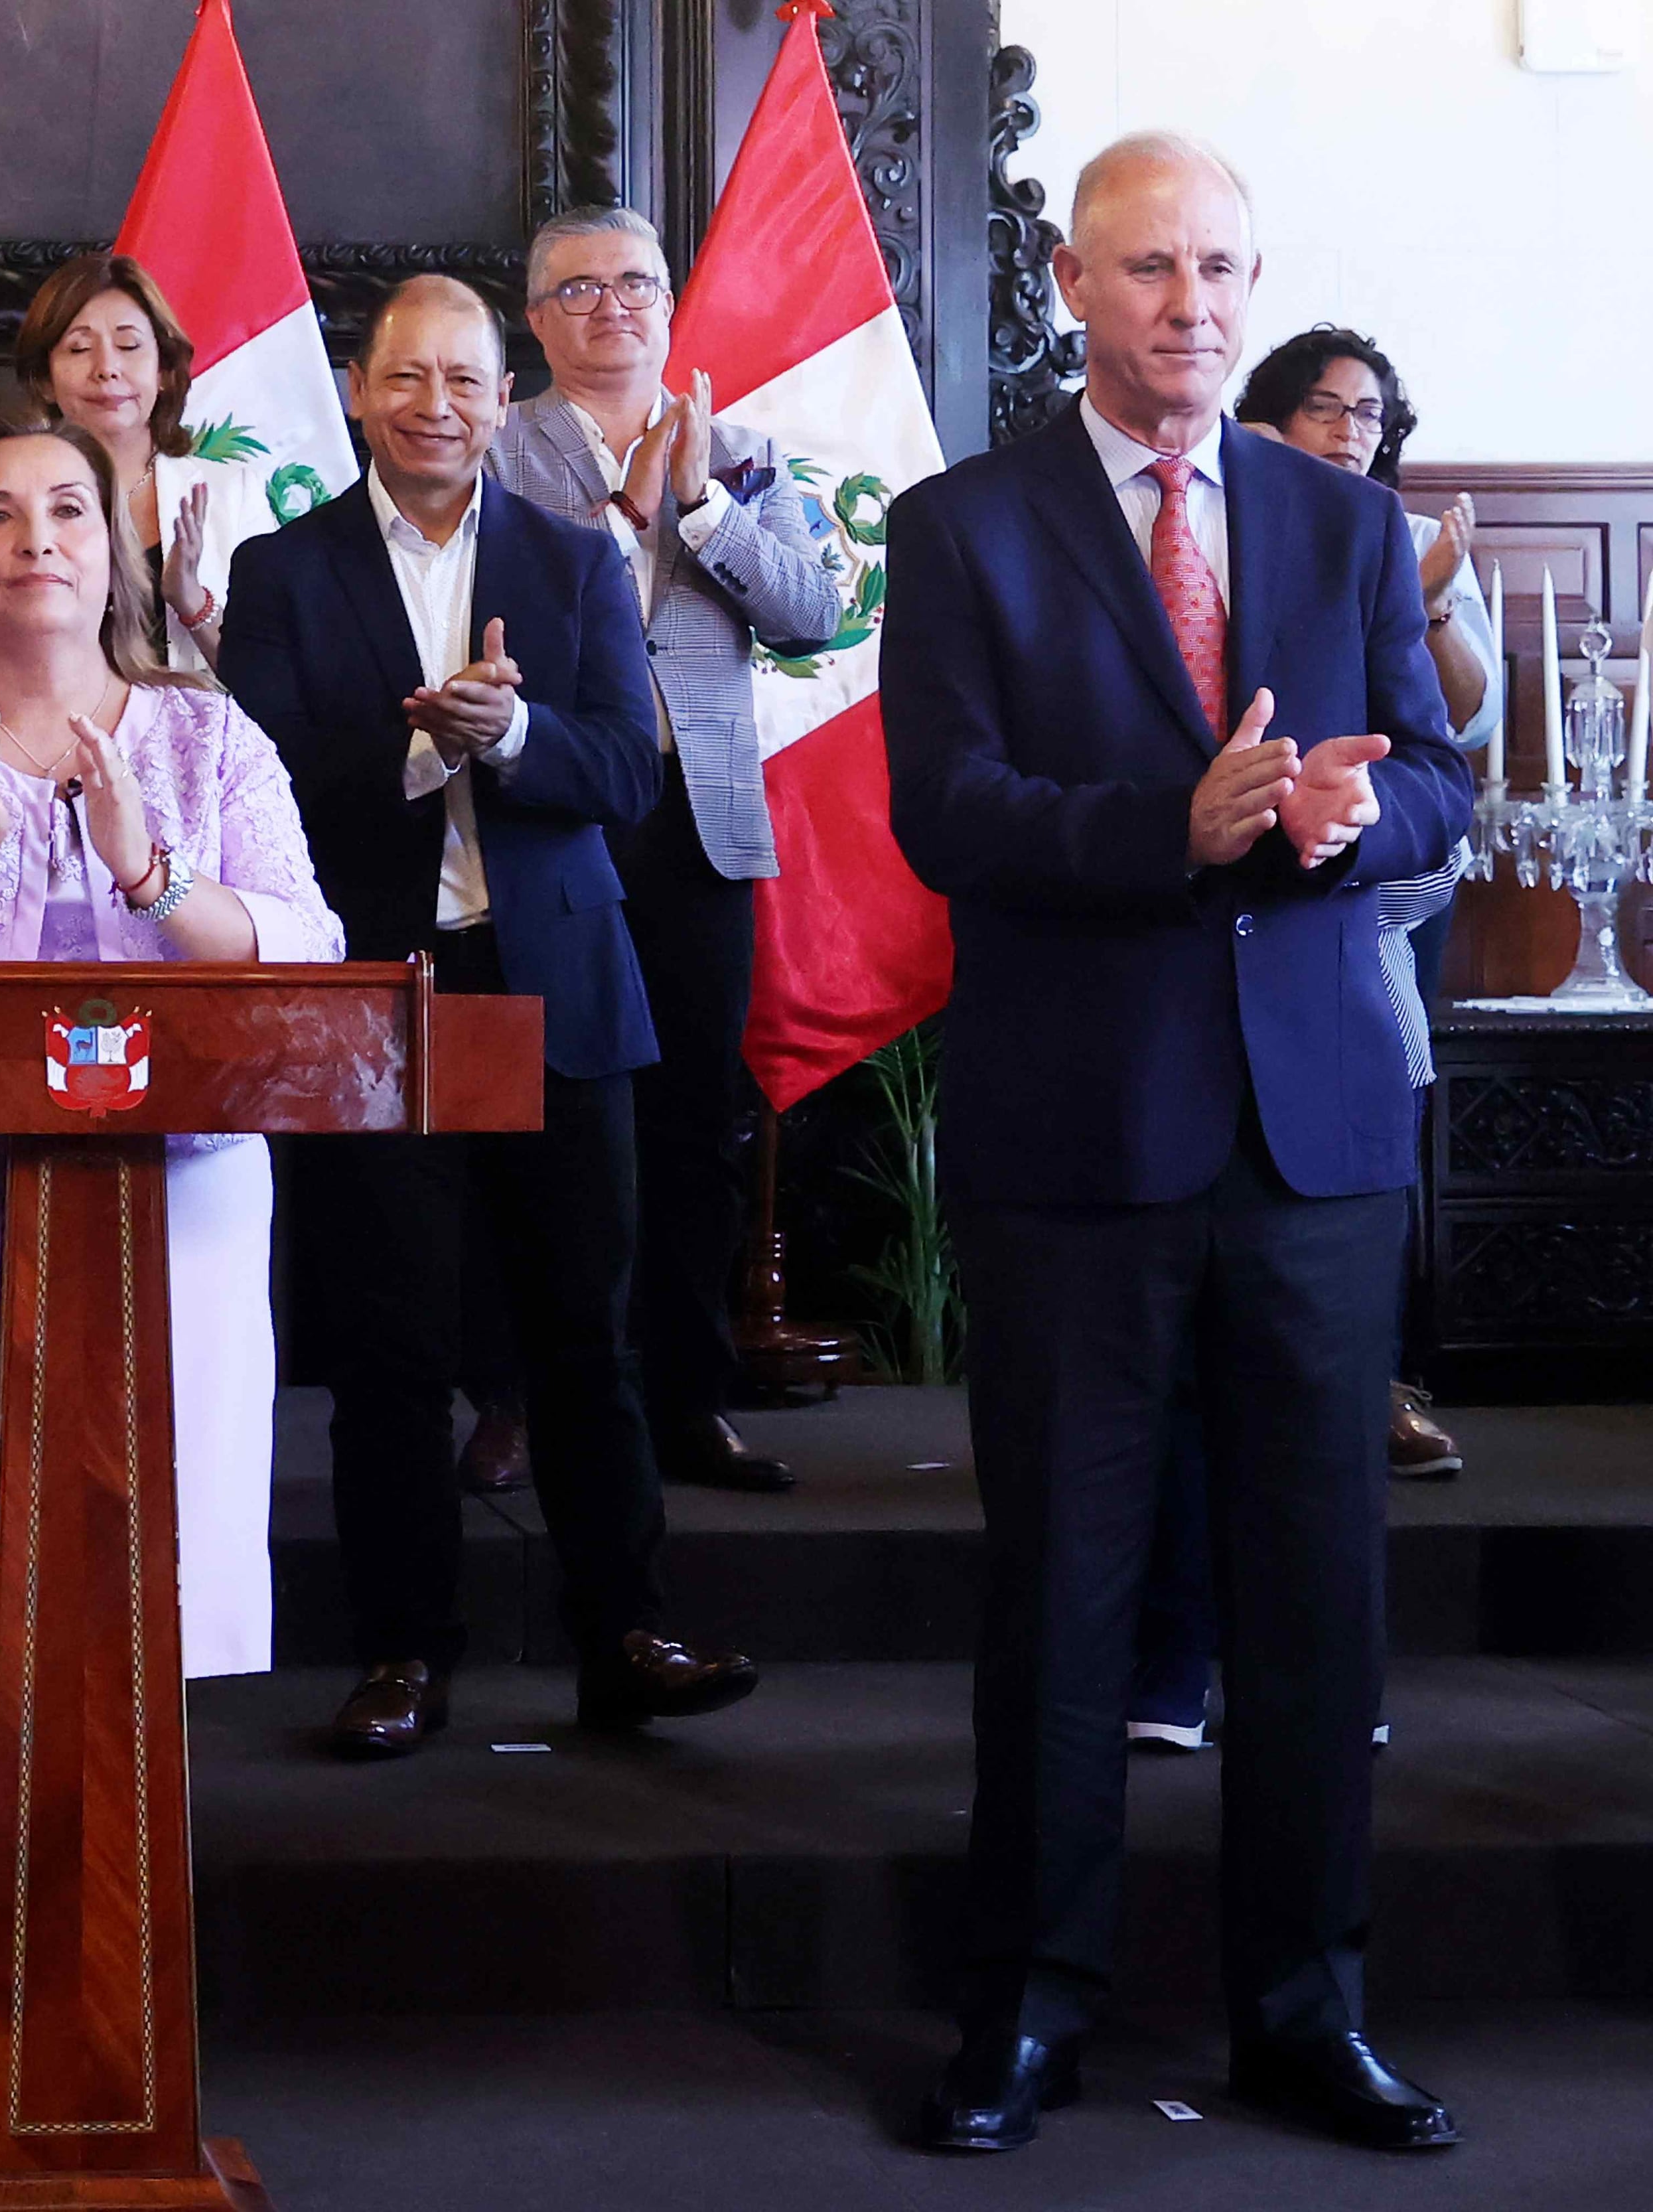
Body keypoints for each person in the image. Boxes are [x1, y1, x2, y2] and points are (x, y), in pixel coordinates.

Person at [883, 133, 1474, 2156]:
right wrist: (1175, 831)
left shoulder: (1336, 518)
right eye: (1150, 268)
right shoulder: (962, 528)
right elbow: (940, 809)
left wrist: (1337, 822)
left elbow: (1437, 785)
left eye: (1222, 266)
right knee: (1060, 1599)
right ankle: (1025, 2015)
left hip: (1309, 1146)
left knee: (1314, 1608)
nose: (1192, 307)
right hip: (1081, 1140)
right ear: (1072, 278)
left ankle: (1304, 2012)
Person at [0, 410, 341, 1945]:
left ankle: (116, 2014)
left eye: (71, 510)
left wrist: (152, 874)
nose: (37, 535)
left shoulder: (208, 737)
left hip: (169, 1216)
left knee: (133, 1603)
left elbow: (304, 958)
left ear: (115, 557)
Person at [217, 275, 758, 1761]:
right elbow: (253, 786)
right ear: (355, 388)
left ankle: (622, 1631)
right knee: (389, 1343)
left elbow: (627, 779)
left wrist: (513, 733)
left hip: (553, 988)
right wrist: (415, 737)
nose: (437, 406)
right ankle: (402, 1648)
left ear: (497, 393)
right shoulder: (284, 571)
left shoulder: (577, 561)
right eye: (408, 378)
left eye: (465, 380)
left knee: (587, 1330)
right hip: (378, 994)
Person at [1125, 325, 1500, 1759]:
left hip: (1336, 975)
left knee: (1313, 1388)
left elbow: (1437, 762)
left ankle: (1322, 1682)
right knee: (1161, 1384)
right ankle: (1166, 1660)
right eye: (1326, 408)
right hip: (1142, 1010)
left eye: (1371, 413)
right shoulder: (1118, 527)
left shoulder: (1369, 539)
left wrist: (1353, 816)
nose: (1351, 431)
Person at [486, 207, 845, 1495]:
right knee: (537, 1123)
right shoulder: (489, 446)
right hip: (552, 819)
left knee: (693, 1127)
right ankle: (524, 1397)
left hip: (694, 830)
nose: (614, 308)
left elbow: (815, 611)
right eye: (579, 289)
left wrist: (693, 507)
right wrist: (618, 515)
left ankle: (687, 1399)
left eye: (637, 283)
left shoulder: (738, 454)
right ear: (535, 320)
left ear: (668, 303)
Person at [15, 251, 281, 674]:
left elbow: (274, 678)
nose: (107, 369)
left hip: (200, 734)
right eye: (80, 348)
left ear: (164, 371)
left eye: (129, 346)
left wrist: (192, 601)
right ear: (45, 379)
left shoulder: (234, 494)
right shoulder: (11, 500)